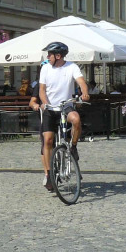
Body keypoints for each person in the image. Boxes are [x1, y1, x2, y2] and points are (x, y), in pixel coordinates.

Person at [38, 43, 90, 191]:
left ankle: (73, 147)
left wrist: (84, 92)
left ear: (58, 56)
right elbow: (42, 90)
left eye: (50, 54)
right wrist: (46, 104)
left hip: (65, 106)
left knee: (76, 119)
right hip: (50, 107)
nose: (47, 57)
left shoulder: (72, 67)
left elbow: (81, 82)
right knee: (48, 140)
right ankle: (48, 174)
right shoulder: (45, 68)